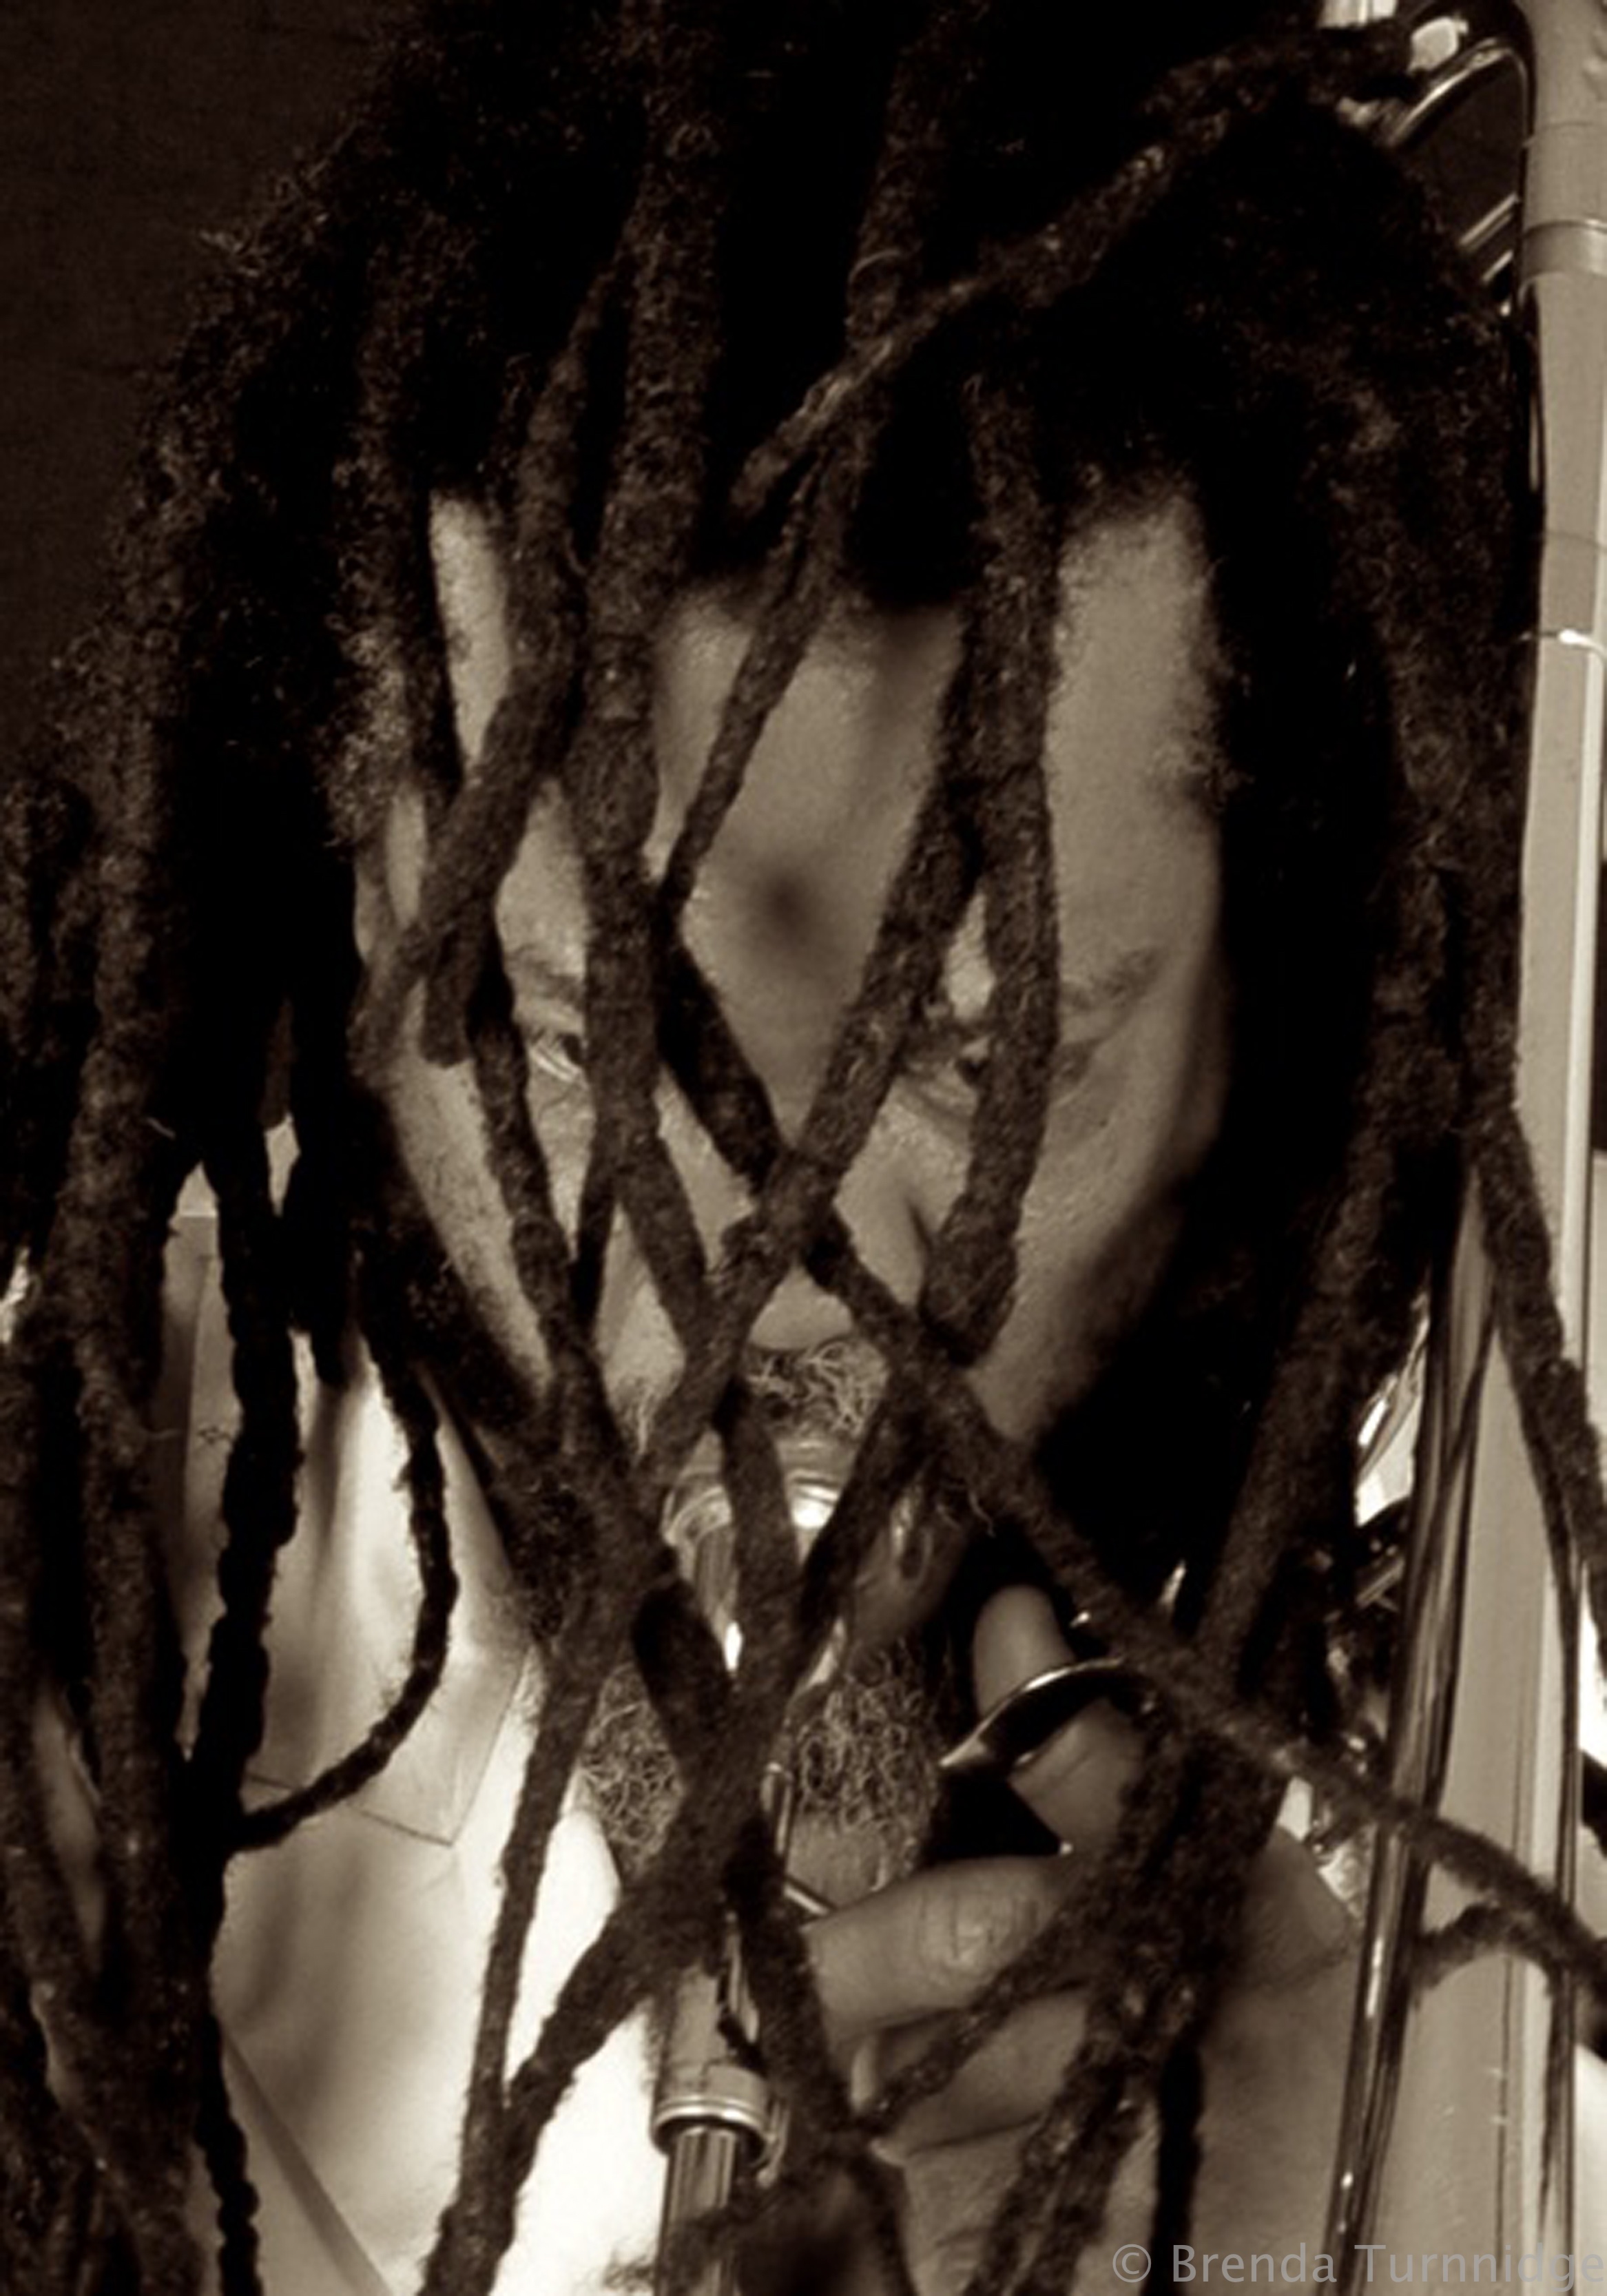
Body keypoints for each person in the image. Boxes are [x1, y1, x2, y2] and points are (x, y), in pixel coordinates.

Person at [2, 2, 1599, 2292]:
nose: (742, 1297)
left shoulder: (1565, 1679)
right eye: (568, 1043)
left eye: (976, 1063)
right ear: (367, 913)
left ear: (1282, 984)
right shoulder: (59, 1595)